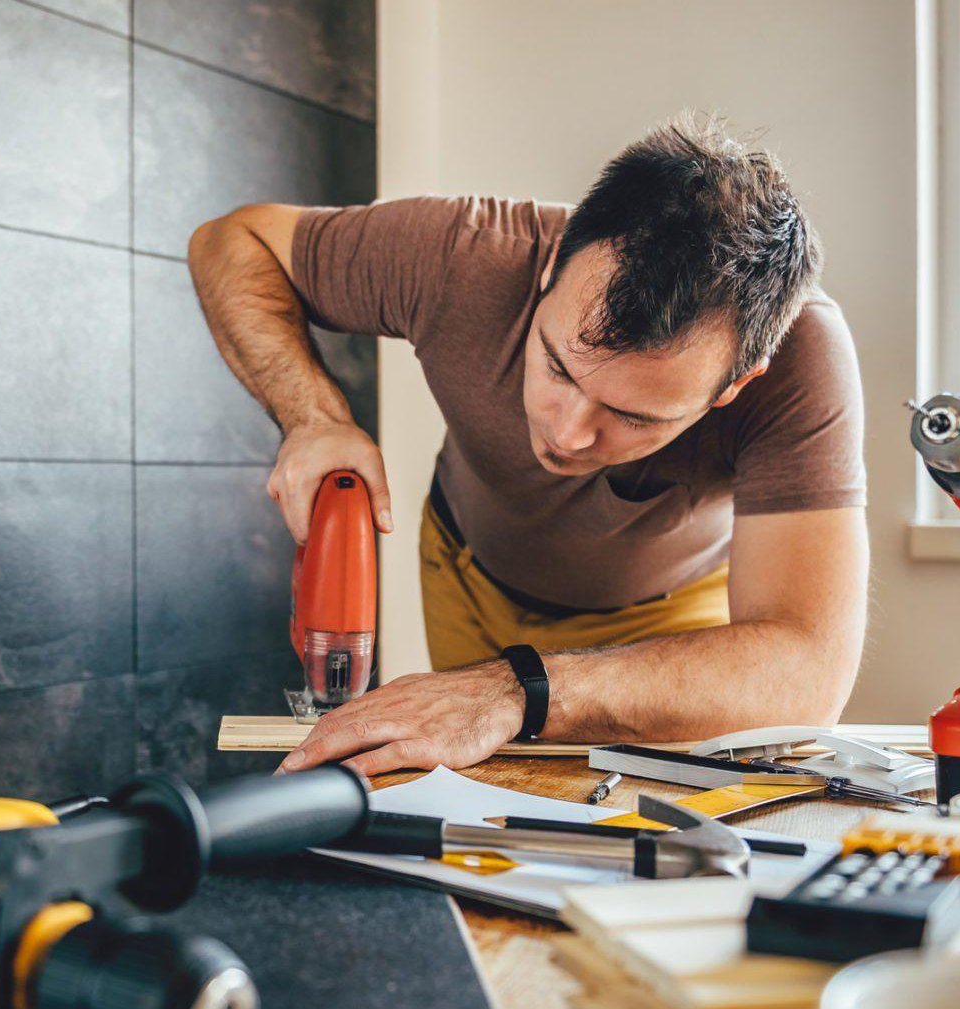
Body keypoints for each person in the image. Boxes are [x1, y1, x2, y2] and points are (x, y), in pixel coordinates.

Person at [186, 116, 868, 776]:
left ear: (733, 385)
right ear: (551, 269)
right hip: (471, 573)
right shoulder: (465, 252)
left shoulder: (801, 359)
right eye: (558, 367)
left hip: (672, 623)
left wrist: (518, 689)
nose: (568, 432)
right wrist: (312, 415)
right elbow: (232, 241)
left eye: (634, 415)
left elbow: (806, 671)